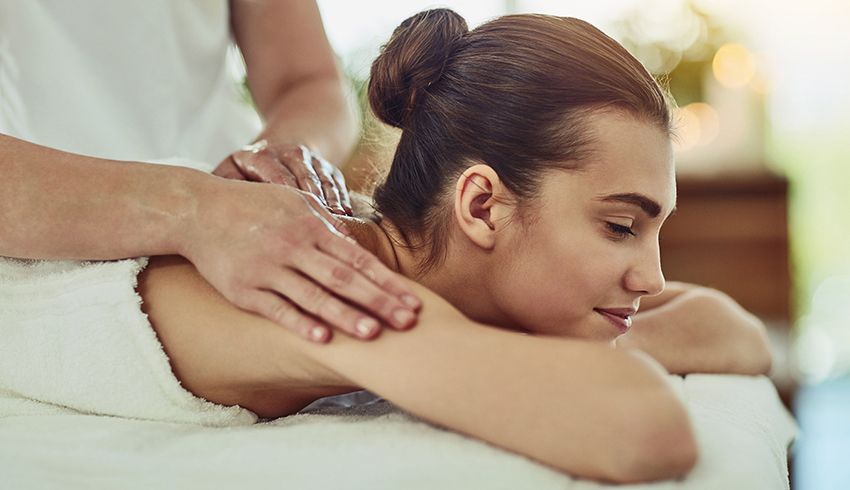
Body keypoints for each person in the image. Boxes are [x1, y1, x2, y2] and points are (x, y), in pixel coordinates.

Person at [130, 9, 774, 484]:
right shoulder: (318, 275)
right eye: (619, 227)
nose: (653, 280)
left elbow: (732, 330)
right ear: (482, 206)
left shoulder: (415, 263)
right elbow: (642, 426)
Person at [0, 0, 421, 342]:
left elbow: (307, 80)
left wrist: (282, 159)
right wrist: (191, 208)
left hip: (236, 220)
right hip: (30, 257)